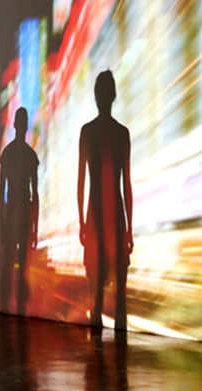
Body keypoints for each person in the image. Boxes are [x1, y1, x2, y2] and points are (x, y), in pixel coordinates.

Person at [77, 70, 133, 330]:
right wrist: (129, 228)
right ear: (113, 96)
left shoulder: (87, 132)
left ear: (97, 96)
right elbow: (126, 185)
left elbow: (81, 182)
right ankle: (120, 348)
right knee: (120, 298)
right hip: (116, 217)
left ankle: (96, 347)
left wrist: (82, 222)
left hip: (95, 216)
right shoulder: (122, 134)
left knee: (95, 298)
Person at [0, 107, 40, 315]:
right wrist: (34, 228)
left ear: (16, 125)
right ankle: (18, 308)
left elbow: (2, 193)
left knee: (10, 264)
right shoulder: (29, 155)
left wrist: (2, 223)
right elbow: (34, 194)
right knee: (20, 265)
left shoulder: (9, 154)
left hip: (14, 212)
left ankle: (7, 307)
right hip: (21, 212)